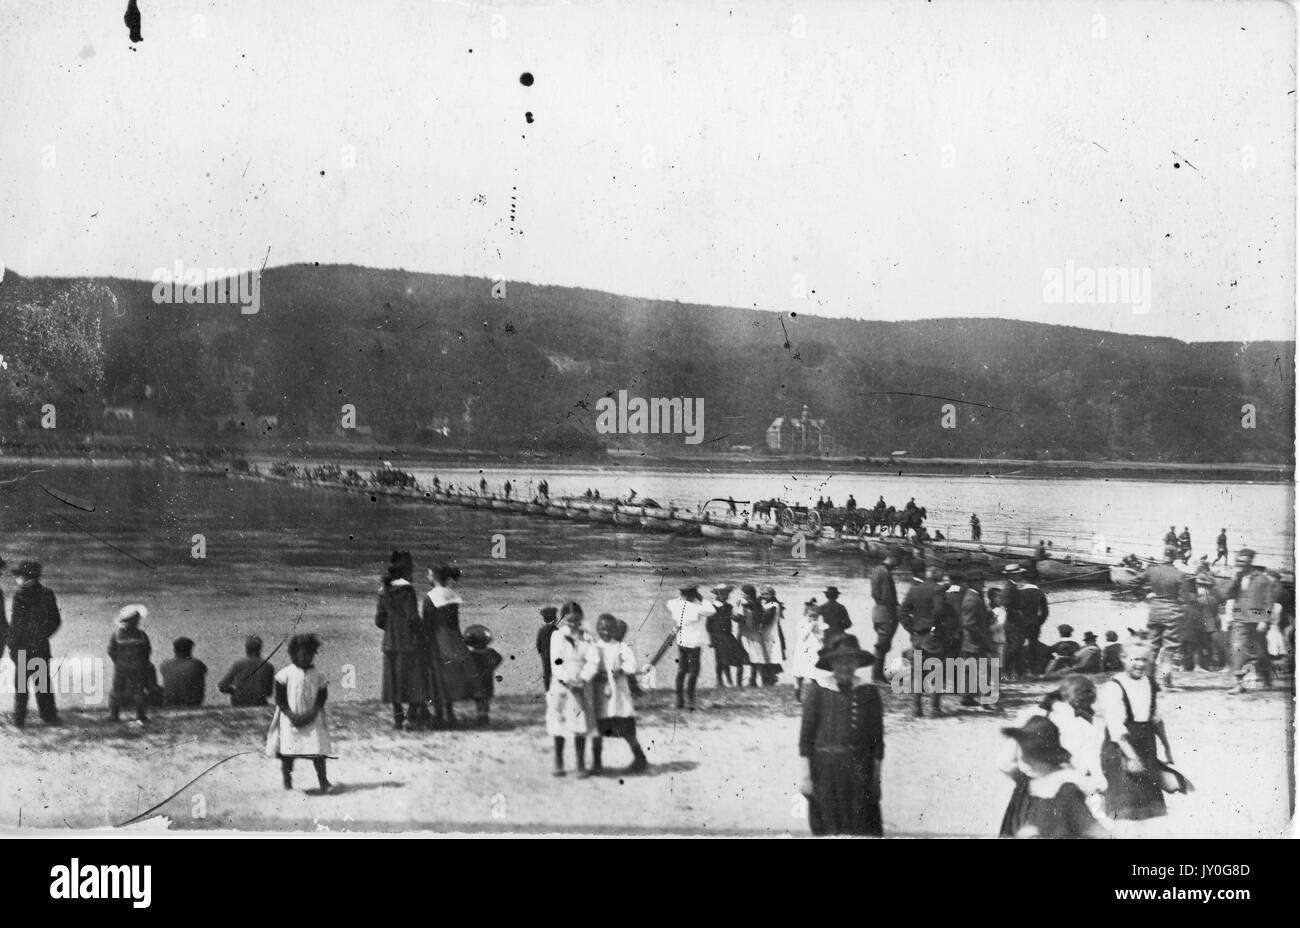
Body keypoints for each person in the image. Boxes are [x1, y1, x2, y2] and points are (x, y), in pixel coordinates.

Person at [998, 675, 1107, 837]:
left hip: (1029, 791)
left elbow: (1004, 762)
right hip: (1062, 791)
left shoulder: (1032, 716)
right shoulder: (1087, 727)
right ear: (1078, 702)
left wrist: (1023, 779)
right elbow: (1092, 771)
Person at [798, 635, 884, 836]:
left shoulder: (869, 692)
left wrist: (876, 779)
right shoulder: (818, 691)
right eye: (839, 661)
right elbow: (805, 740)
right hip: (825, 772)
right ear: (831, 664)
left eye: (850, 661)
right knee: (829, 829)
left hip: (860, 771)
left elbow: (878, 741)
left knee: (862, 829)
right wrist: (806, 778)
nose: (845, 666)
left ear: (857, 663)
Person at [1099, 641, 1179, 823]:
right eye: (1135, 659)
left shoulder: (1149, 683)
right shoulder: (1114, 686)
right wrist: (1132, 757)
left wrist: (1167, 748)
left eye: (1145, 660)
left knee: (1149, 808)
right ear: (1123, 658)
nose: (1140, 664)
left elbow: (1156, 719)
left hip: (1146, 745)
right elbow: (1115, 727)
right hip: (1121, 749)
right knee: (1124, 807)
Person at [268, 633, 333, 794]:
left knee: (317, 751)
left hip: (313, 717)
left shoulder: (319, 675)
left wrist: (313, 712)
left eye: (310, 654)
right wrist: (291, 715)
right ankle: (288, 783)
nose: (306, 658)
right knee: (288, 754)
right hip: (290, 719)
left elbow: (322, 696)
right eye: (303, 654)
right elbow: (280, 700)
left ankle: (323, 781)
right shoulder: (284, 674)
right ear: (293, 654)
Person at [423, 564, 485, 727]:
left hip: (439, 639)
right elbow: (454, 622)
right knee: (463, 673)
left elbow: (427, 623)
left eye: (429, 575)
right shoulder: (452, 596)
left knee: (438, 676)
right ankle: (475, 713)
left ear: (435, 577)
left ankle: (443, 717)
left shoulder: (430, 597)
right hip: (455, 638)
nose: (427, 577)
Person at [374, 551, 430, 730]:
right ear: (406, 569)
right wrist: (424, 632)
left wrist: (392, 628)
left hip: (390, 643)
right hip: (409, 642)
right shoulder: (408, 590)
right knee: (416, 680)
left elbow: (379, 620)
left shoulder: (383, 590)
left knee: (393, 683)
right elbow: (413, 617)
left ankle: (398, 720)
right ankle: (412, 714)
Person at [2, 560, 62, 727]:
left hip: (21, 647)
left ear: (26, 577)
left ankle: (19, 719)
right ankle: (49, 716)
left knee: (21, 686)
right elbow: (55, 620)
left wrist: (12, 646)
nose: (17, 579)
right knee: (42, 685)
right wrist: (41, 636)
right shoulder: (47, 593)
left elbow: (15, 625)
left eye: (19, 576)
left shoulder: (19, 595)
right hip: (40, 647)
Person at [546, 604, 601, 777]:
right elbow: (556, 661)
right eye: (569, 620)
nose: (573, 624)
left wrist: (584, 679)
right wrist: (567, 681)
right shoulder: (557, 636)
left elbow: (593, 661)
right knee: (559, 720)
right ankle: (559, 760)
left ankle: (580, 762)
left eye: (576, 620)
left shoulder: (587, 637)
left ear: (581, 618)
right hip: (563, 683)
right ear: (563, 620)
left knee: (580, 722)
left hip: (582, 683)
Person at [591, 615, 649, 774]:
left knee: (626, 729)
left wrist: (621, 670)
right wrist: (595, 674)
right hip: (600, 694)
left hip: (619, 695)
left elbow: (631, 665)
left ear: (615, 630)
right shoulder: (594, 647)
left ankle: (640, 760)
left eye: (609, 629)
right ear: (597, 629)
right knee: (597, 730)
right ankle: (597, 763)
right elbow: (588, 665)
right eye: (602, 629)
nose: (605, 632)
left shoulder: (622, 646)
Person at [1224, 549, 1280, 694]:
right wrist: (1235, 579)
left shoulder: (1262, 579)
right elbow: (1226, 594)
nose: (1240, 564)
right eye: (1238, 561)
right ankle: (1239, 684)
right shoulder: (1237, 578)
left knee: (1260, 653)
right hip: (1240, 620)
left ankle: (1266, 675)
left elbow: (1269, 603)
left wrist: (1265, 620)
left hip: (1257, 621)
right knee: (1238, 650)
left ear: (1250, 562)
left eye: (1243, 561)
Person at [898, 563, 945, 716]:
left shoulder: (914, 589)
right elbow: (939, 612)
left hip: (918, 637)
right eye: (941, 573)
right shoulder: (938, 589)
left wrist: (912, 628)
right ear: (935, 574)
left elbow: (902, 612)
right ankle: (935, 708)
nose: (943, 576)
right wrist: (934, 628)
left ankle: (916, 708)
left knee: (918, 672)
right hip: (933, 637)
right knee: (936, 671)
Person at [1142, 547, 1187, 687]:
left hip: (1155, 612)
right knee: (1169, 649)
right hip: (1172, 614)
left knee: (1153, 646)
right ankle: (1166, 681)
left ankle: (1149, 680)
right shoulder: (1179, 575)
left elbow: (1132, 582)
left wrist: (1144, 596)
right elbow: (1184, 598)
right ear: (1174, 557)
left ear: (1163, 555)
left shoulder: (1152, 570)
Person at [666, 585, 716, 709]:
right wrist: (701, 598)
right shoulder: (696, 607)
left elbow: (670, 603)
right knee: (694, 670)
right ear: (693, 595)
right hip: (694, 642)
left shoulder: (674, 604)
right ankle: (691, 699)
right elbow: (712, 610)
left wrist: (684, 595)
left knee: (682, 670)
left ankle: (679, 700)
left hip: (681, 640)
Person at [108, 605, 153, 723]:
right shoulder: (142, 635)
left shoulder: (116, 635)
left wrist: (118, 661)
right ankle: (140, 715)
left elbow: (111, 651)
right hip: (138, 665)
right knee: (139, 690)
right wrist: (143, 663)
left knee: (117, 689)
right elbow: (147, 651)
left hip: (121, 665)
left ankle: (114, 715)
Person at [217, 635, 276, 707]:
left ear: (246, 649)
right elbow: (269, 693)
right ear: (260, 649)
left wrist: (233, 690)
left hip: (239, 703)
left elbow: (221, 686)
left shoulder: (238, 664)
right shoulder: (269, 666)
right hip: (259, 703)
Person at [706, 584, 746, 687]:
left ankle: (734, 682)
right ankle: (721, 682)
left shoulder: (729, 607)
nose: (727, 596)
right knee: (721, 660)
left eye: (728, 593)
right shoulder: (712, 607)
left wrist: (741, 615)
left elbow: (735, 618)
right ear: (718, 594)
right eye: (724, 594)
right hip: (717, 636)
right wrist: (711, 639)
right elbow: (708, 625)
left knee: (737, 657)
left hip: (728, 635)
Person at [463, 625, 503, 728]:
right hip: (487, 679)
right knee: (486, 699)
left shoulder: (471, 654)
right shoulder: (490, 652)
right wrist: (492, 667)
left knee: (479, 700)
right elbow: (499, 658)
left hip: (476, 680)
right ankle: (484, 718)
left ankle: (481, 719)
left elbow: (465, 664)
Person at [869, 551, 900, 681]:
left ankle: (877, 675)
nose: (898, 565)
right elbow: (887, 597)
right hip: (886, 613)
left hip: (878, 611)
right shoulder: (885, 573)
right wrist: (900, 609)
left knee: (882, 644)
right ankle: (876, 676)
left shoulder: (877, 569)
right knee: (882, 645)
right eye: (898, 561)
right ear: (892, 558)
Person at [791, 599, 827, 702]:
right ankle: (797, 696)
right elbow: (803, 637)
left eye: (816, 615)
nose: (814, 617)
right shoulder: (802, 623)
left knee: (815, 674)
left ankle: (817, 695)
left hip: (814, 652)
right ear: (806, 613)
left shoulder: (820, 625)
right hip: (803, 651)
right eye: (811, 615)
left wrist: (817, 631)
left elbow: (822, 638)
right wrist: (811, 626)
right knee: (799, 675)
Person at [1182, 575, 1220, 672]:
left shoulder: (1200, 601)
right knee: (1207, 647)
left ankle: (1201, 665)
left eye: (1199, 587)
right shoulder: (1214, 599)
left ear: (1204, 588)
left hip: (1202, 627)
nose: (1198, 590)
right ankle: (1209, 664)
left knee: (1200, 647)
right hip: (1212, 626)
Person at [160, 637, 207, 707]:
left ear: (175, 650)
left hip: (170, 702)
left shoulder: (165, 664)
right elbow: (204, 671)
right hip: (193, 703)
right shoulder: (197, 664)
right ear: (189, 650)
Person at [756, 586, 787, 685]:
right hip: (768, 633)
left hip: (771, 634)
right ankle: (768, 679)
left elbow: (766, 619)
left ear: (772, 595)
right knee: (768, 657)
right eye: (762, 594)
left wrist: (758, 621)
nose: (763, 596)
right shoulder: (769, 604)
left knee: (770, 656)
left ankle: (769, 679)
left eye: (766, 594)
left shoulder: (773, 605)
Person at [536, 606, 560, 692]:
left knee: (546, 674)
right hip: (556, 656)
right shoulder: (557, 630)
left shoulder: (541, 630)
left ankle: (548, 690)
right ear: (555, 618)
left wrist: (541, 653)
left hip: (545, 656)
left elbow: (538, 644)